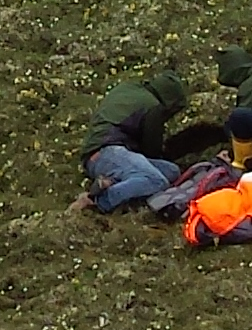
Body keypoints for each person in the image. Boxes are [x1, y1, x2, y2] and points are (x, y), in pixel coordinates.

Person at [79, 56, 197, 214]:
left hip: (101, 154)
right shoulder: (153, 107)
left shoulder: (129, 87)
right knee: (156, 180)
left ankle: (111, 182)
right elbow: (151, 149)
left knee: (171, 171)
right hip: (108, 153)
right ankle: (98, 202)